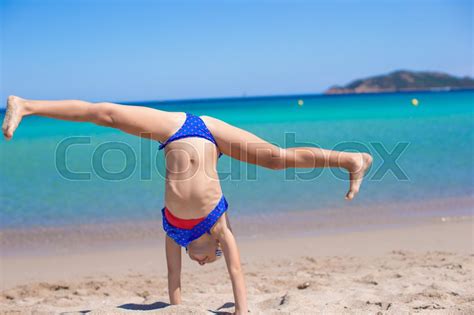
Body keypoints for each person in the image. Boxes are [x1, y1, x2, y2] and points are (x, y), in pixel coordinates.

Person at [2, 95, 372, 314]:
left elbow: (173, 279)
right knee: (107, 114)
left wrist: (176, 307)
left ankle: (351, 160)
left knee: (275, 158)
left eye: (204, 262)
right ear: (216, 248)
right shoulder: (219, 227)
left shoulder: (173, 231)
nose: (204, 262)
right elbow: (237, 272)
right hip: (205, 129)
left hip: (176, 133)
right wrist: (242, 311)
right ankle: (28, 105)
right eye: (210, 260)